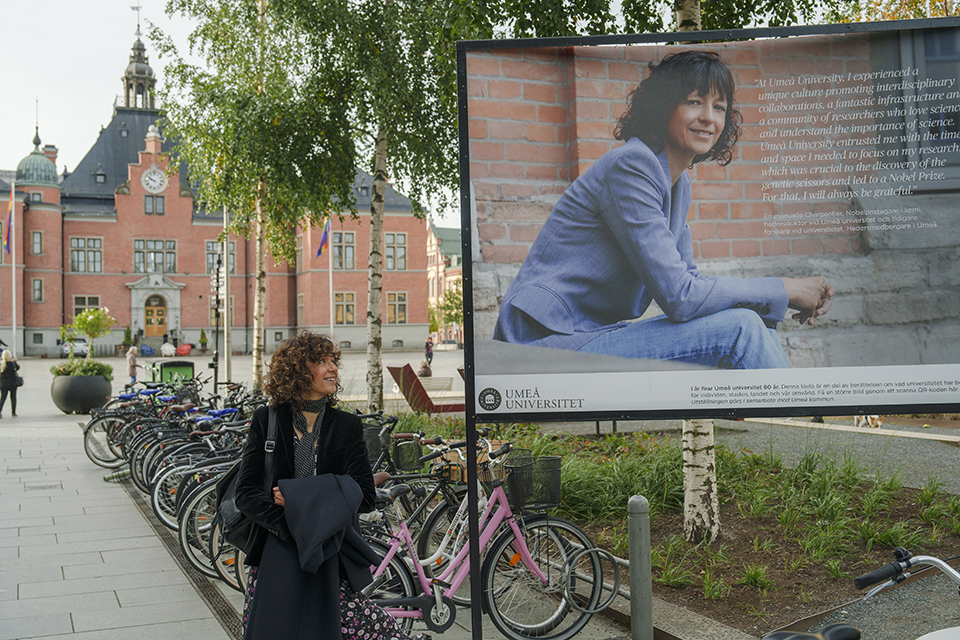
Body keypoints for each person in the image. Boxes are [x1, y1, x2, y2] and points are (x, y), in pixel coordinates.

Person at [493, 50, 834, 369]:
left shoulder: (676, 182)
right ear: (664, 107)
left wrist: (777, 296)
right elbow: (681, 298)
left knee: (750, 321)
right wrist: (784, 289)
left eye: (718, 106)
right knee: (740, 327)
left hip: (587, 337)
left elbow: (692, 283)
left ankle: (796, 421)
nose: (708, 118)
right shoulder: (632, 166)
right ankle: (797, 424)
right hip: (541, 348)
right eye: (694, 102)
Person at [234, 332, 429, 640]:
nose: (333, 369)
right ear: (298, 370)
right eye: (321, 361)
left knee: (370, 629)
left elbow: (364, 495)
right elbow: (245, 494)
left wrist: (299, 501)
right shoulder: (267, 419)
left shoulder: (346, 426)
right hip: (276, 555)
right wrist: (292, 529)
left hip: (330, 555)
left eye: (333, 361)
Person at [0, 350, 20, 418]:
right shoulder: (12, 364)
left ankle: (0, 411)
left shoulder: (1, 364)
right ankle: (13, 412)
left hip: (3, 384)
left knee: (3, 397)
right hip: (12, 384)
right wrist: (14, 361)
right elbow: (18, 368)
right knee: (13, 398)